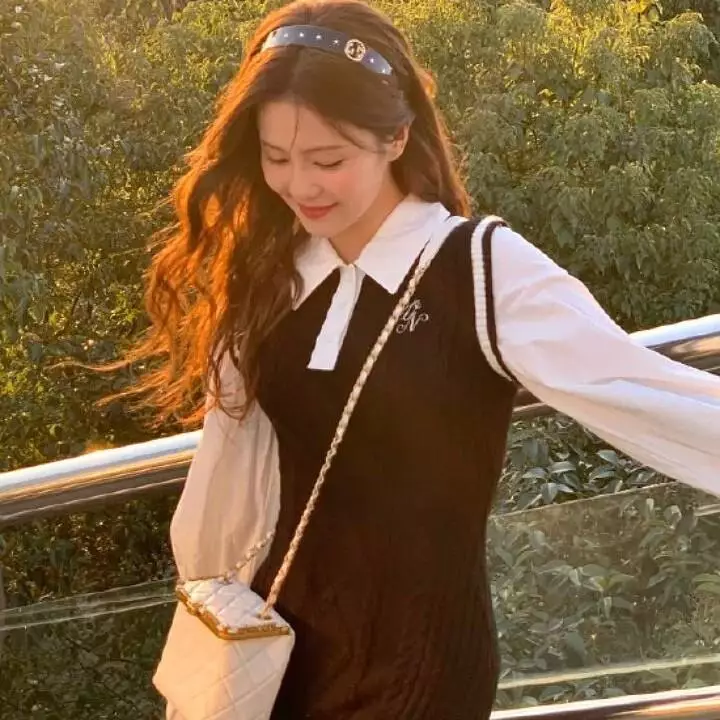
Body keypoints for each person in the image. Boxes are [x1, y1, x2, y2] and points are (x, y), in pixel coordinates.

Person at [128, 0, 720, 717]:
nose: (299, 185)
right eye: (276, 157)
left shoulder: (477, 268)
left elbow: (639, 389)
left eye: (328, 160)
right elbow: (231, 472)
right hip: (275, 648)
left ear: (396, 137)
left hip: (418, 666)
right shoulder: (274, 272)